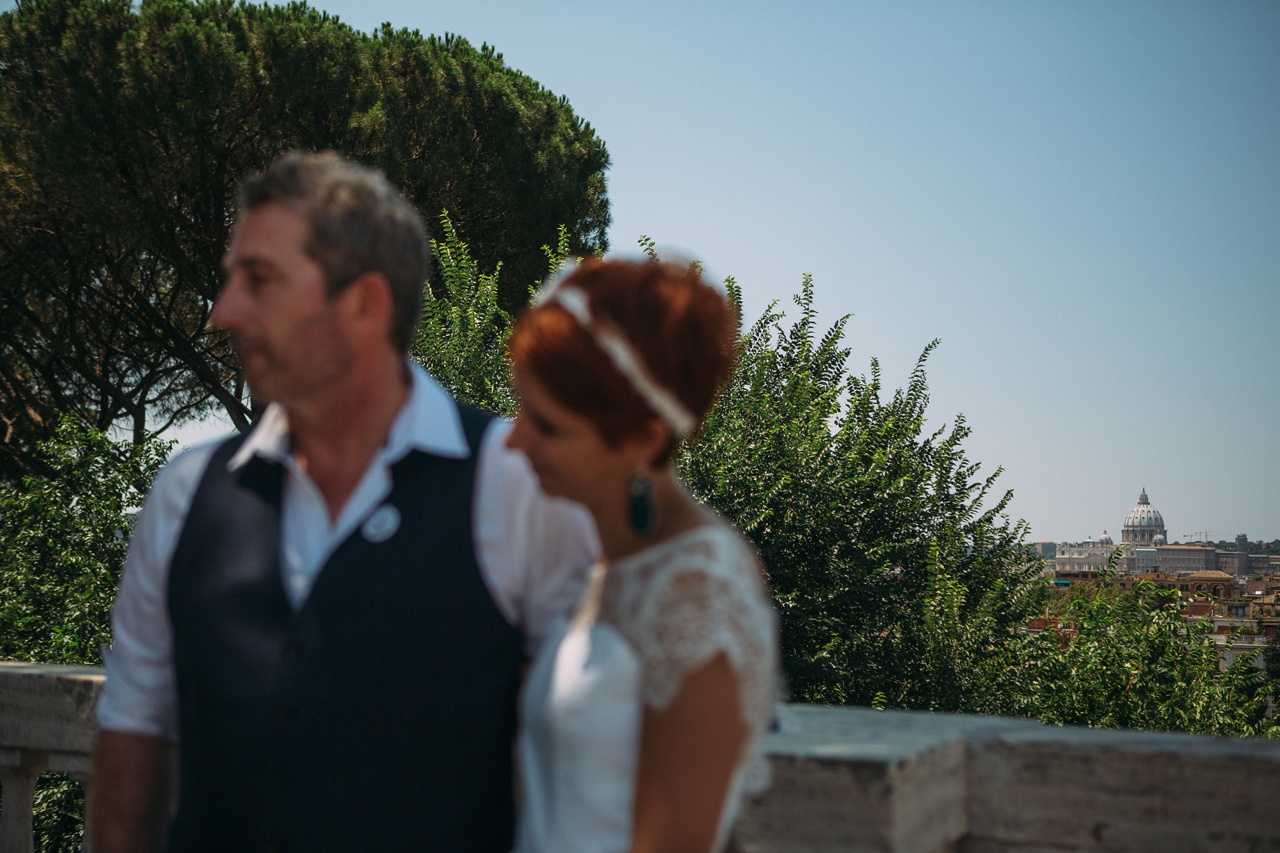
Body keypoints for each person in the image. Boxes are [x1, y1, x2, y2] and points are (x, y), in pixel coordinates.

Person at [86, 151, 598, 853]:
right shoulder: (185, 491)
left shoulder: (516, 484)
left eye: (259, 280)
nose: (222, 312)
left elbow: (588, 759)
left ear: (364, 304)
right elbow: (135, 721)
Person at [504, 258, 780, 853]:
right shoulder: (609, 559)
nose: (513, 440)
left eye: (547, 427)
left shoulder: (699, 589)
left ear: (644, 439)